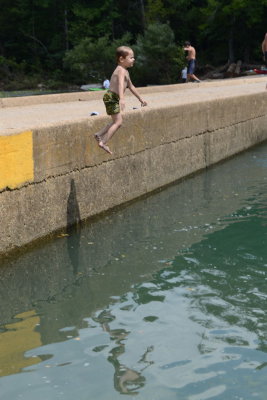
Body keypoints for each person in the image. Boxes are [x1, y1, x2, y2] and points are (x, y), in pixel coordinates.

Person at [94, 46, 147, 154]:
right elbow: (120, 84)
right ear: (122, 59)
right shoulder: (120, 70)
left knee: (115, 121)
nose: (134, 59)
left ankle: (99, 134)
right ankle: (103, 142)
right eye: (131, 58)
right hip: (112, 97)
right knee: (118, 122)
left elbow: (131, 87)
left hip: (111, 97)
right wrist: (122, 99)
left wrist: (141, 99)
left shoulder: (126, 71)